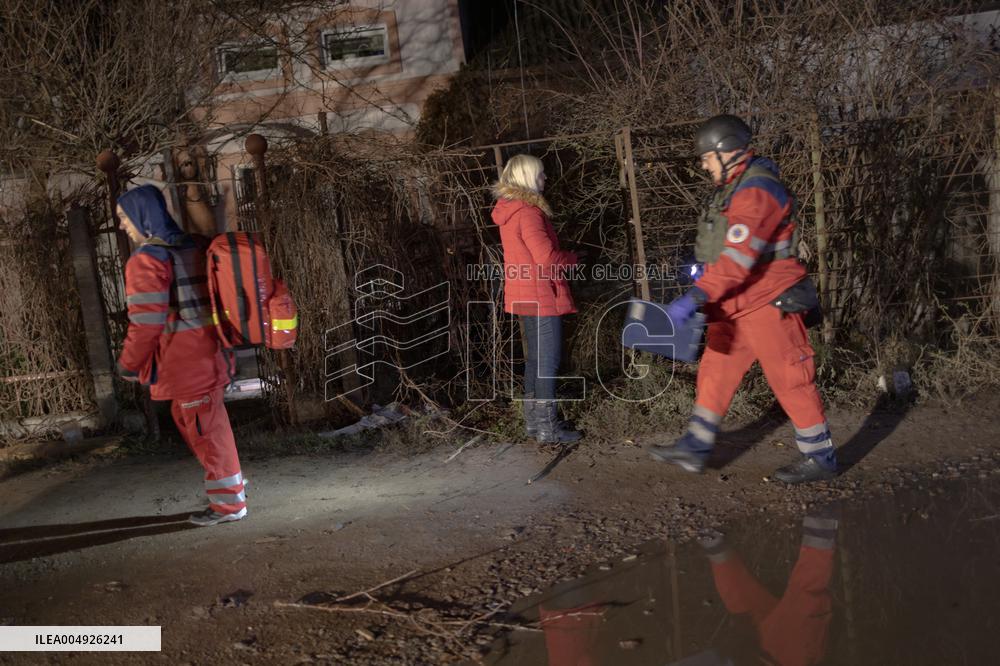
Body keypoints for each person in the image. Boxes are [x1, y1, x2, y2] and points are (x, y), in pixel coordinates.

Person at [649, 114, 837, 483]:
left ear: (727, 152)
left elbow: (738, 259)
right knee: (715, 371)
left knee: (790, 377)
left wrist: (697, 295)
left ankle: (820, 456)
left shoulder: (757, 191)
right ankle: (697, 445)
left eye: (706, 157)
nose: (703, 165)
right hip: (735, 303)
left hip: (768, 301)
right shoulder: (733, 188)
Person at [115, 185, 247, 526]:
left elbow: (145, 324)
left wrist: (129, 364)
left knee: (207, 431)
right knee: (205, 427)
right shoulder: (195, 247)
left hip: (186, 363)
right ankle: (230, 488)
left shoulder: (147, 260)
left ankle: (230, 505)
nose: (121, 226)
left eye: (123, 217)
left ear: (141, 216)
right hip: (211, 353)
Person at [491, 154, 581, 444]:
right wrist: (572, 259)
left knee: (535, 360)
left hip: (523, 293)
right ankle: (549, 428)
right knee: (548, 361)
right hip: (540, 294)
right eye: (541, 174)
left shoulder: (509, 210)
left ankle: (534, 422)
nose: (546, 179)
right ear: (528, 178)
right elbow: (546, 259)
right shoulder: (529, 212)